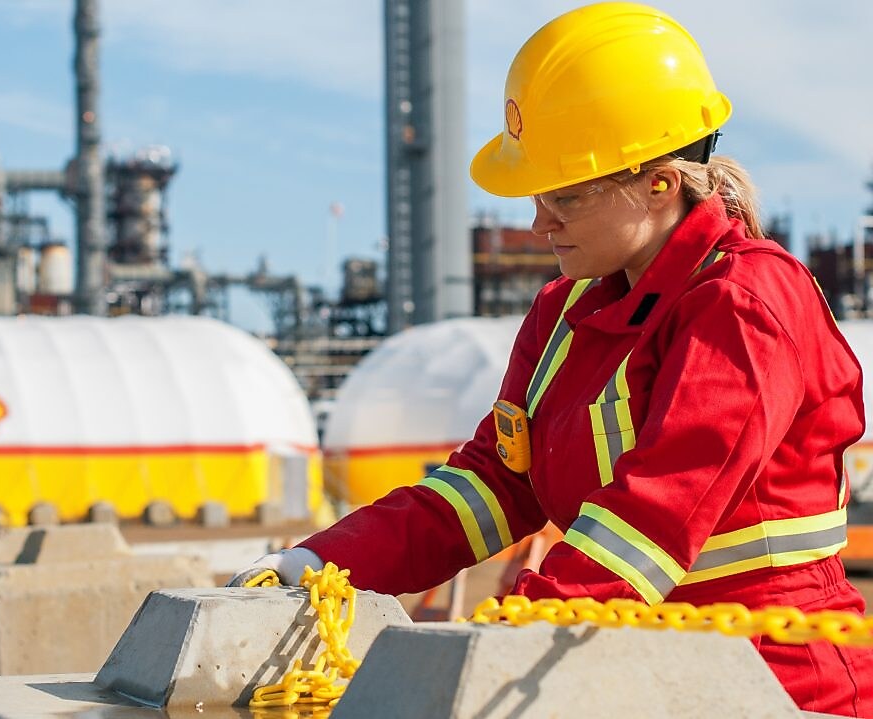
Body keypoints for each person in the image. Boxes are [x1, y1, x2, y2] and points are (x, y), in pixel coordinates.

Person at [230, 2, 873, 715]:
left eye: (565, 195)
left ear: (659, 185)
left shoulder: (744, 301)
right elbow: (492, 486)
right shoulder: (564, 312)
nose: (539, 222)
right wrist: (321, 560)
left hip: (777, 681)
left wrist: (513, 634)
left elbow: (656, 511)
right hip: (629, 669)